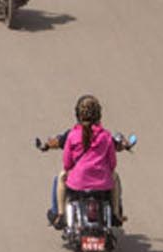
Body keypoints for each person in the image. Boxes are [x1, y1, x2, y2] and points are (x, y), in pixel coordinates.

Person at [39, 95, 119, 229]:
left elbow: (67, 163)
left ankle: (59, 215)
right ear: (99, 114)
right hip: (103, 183)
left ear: (78, 114)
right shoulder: (106, 136)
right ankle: (116, 214)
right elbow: (112, 163)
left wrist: (71, 170)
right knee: (115, 177)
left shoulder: (72, 135)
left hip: (77, 183)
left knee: (60, 177)